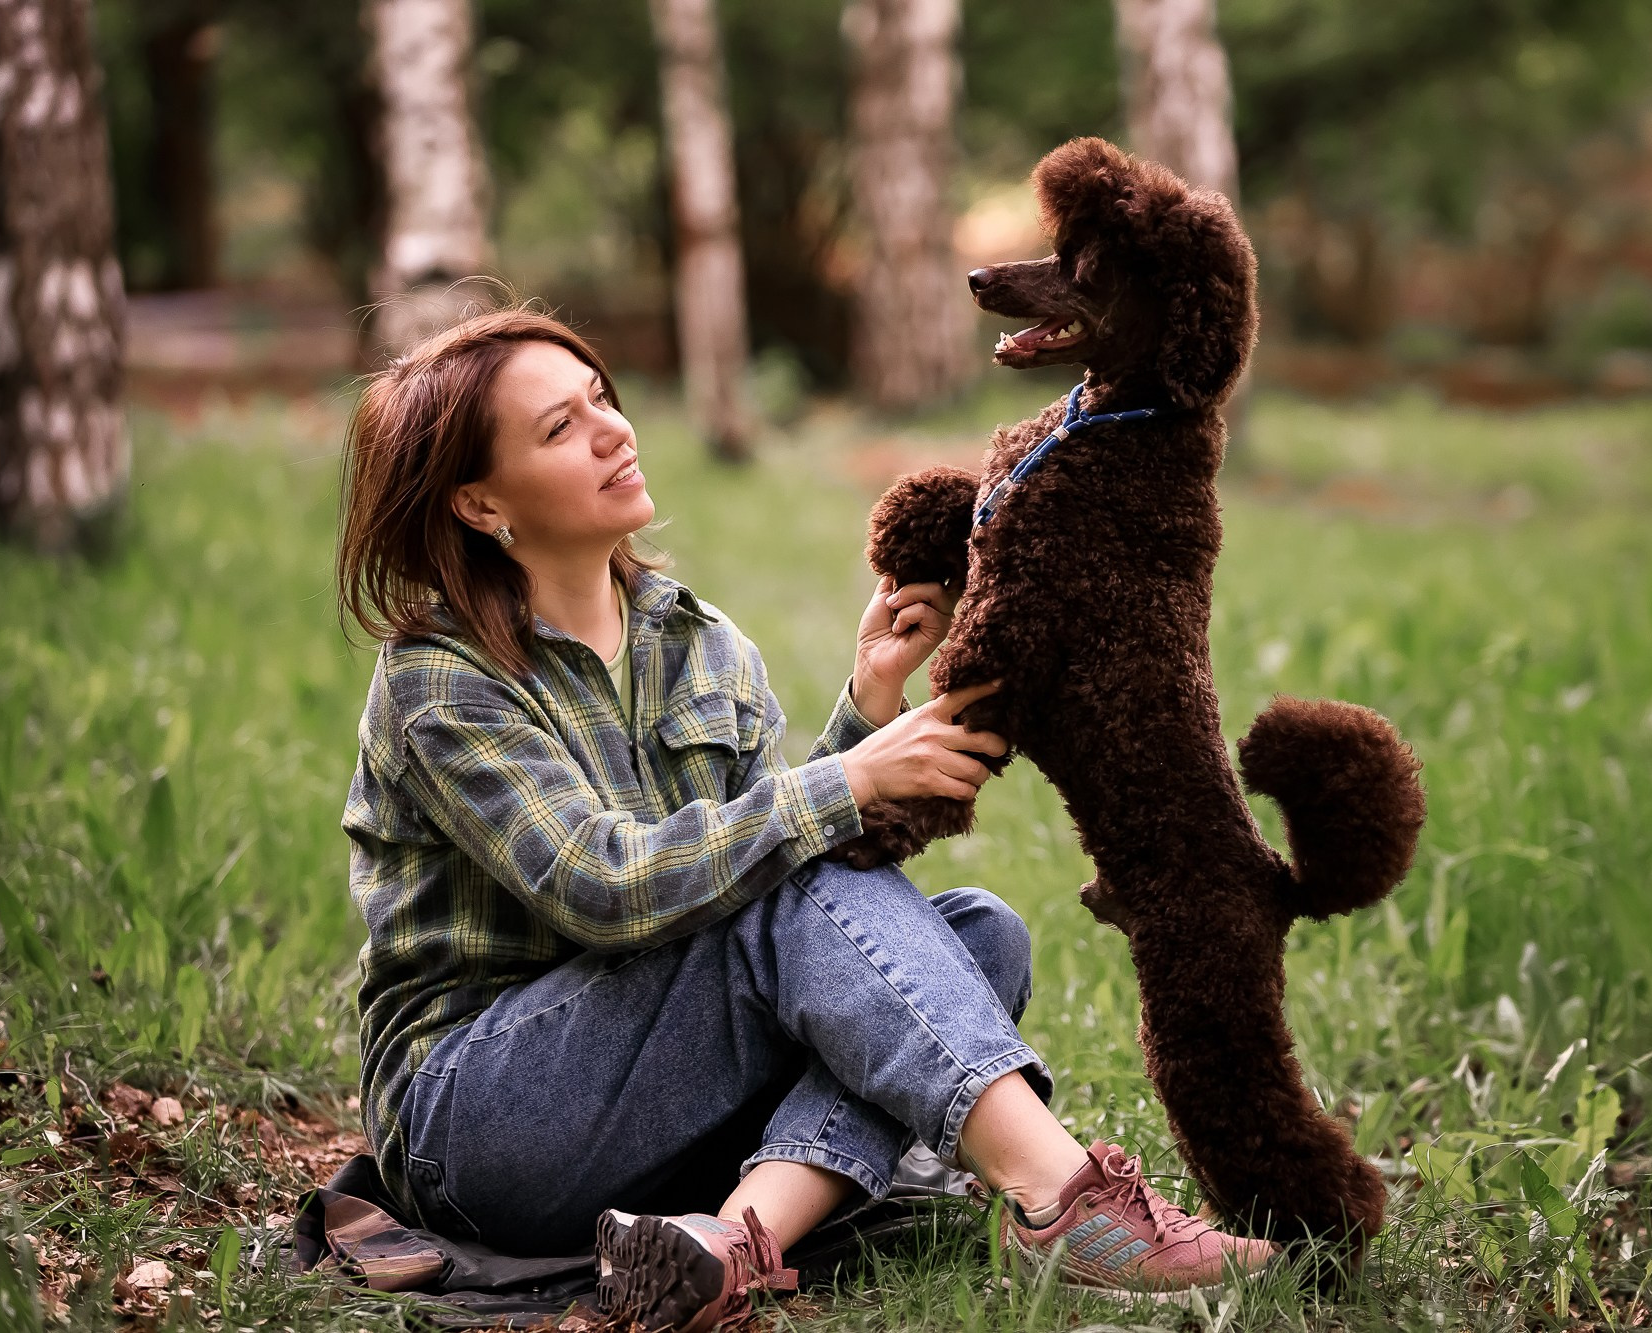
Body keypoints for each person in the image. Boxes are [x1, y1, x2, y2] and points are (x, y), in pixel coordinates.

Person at [335, 309, 1273, 1332]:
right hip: (480, 1120)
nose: (613, 431)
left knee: (979, 935)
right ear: (480, 502)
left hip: (667, 1098)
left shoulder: (696, 643)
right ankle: (1060, 1198)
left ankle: (728, 1244)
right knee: (813, 883)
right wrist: (851, 778)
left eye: (602, 398)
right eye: (560, 427)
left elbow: (764, 871)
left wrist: (867, 700)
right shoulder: (442, 677)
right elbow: (603, 887)